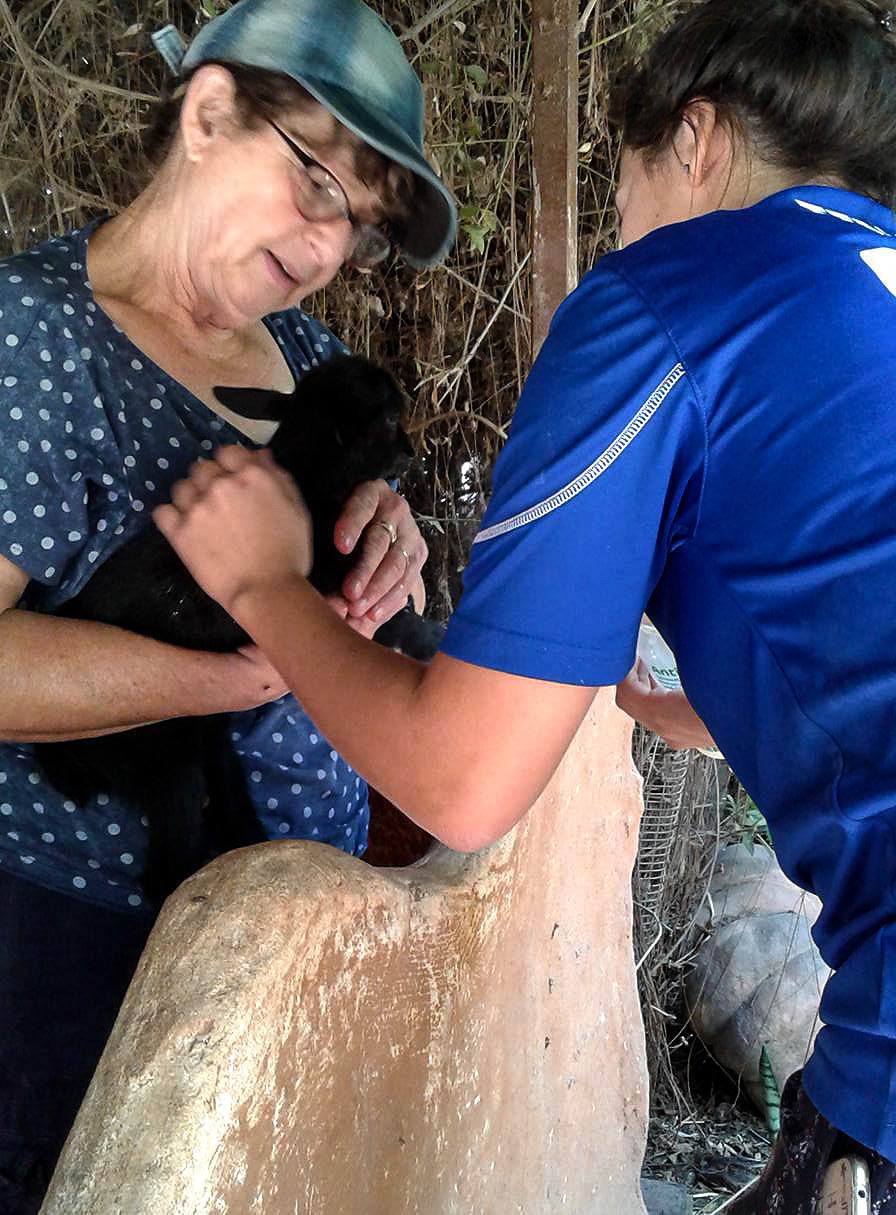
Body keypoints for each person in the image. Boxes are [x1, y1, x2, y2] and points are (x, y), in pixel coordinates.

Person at [156, 0, 896, 1209]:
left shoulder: (670, 297)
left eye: (619, 189)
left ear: (696, 142)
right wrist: (707, 707)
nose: (620, 226)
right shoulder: (854, 301)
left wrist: (258, 584)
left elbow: (462, 780)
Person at [0, 0, 455, 1208]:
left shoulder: (301, 357)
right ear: (206, 115)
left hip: (289, 924)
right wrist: (244, 674)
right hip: (79, 945)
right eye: (318, 184)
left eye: (355, 224)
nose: (327, 245)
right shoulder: (42, 339)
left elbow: (342, 556)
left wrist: (388, 543)